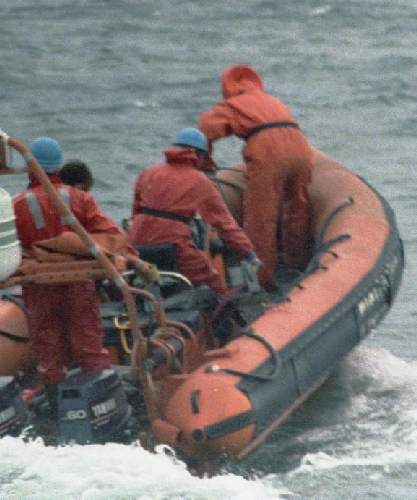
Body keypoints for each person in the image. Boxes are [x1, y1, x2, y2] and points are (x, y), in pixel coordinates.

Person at [13, 137, 124, 418]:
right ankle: (100, 408)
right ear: (58, 166)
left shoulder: (16, 205)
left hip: (39, 288)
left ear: (30, 167)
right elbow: (112, 235)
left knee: (49, 354)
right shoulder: (81, 198)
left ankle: (57, 415)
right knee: (89, 348)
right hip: (78, 284)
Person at [198, 64, 314, 289]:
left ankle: (262, 278)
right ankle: (297, 263)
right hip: (301, 146)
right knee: (297, 207)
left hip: (267, 149)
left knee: (260, 217)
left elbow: (206, 130)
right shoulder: (273, 100)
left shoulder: (231, 105)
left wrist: (205, 163)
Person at [129, 127, 259, 295]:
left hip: (137, 241)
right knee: (213, 284)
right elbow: (225, 224)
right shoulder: (201, 182)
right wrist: (248, 253)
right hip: (174, 243)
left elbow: (136, 211)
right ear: (200, 155)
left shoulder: (148, 173)